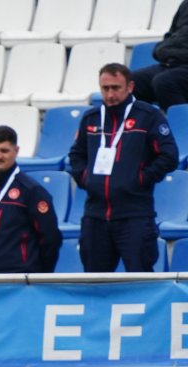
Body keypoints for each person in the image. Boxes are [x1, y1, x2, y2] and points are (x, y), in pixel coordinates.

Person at [68, 63, 180, 273]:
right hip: (95, 216)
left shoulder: (148, 116)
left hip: (134, 215)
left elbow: (169, 155)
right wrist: (86, 179)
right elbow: (76, 155)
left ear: (130, 87)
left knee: (140, 280)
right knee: (95, 282)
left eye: (115, 88)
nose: (110, 94)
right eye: (105, 88)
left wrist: (139, 179)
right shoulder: (91, 118)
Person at [0, 125, 62, 274]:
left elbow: (50, 239)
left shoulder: (31, 191)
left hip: (19, 280)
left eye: (4, 151)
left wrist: (38, 276)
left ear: (16, 151)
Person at [130, 1, 188, 110]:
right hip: (174, 64)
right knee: (131, 82)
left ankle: (180, 124)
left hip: (182, 65)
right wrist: (163, 48)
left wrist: (174, 52)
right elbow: (171, 34)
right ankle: (141, 125)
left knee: (165, 82)